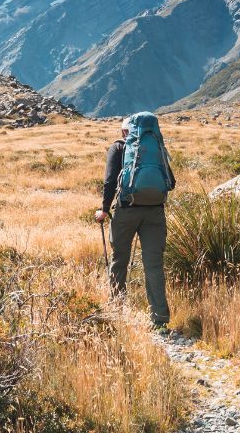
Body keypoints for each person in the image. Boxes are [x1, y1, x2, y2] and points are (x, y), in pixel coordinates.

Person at [95, 113, 176, 328]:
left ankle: (117, 308)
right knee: (154, 265)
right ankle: (159, 319)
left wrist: (104, 209)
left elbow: (110, 180)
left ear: (125, 131)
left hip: (126, 211)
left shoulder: (119, 147)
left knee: (119, 259)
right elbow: (171, 182)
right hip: (155, 212)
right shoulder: (157, 147)